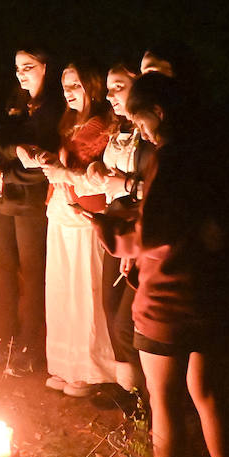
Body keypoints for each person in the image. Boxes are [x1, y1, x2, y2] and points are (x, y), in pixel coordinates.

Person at [89, 71, 229, 457]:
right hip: (210, 291)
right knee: (207, 392)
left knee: (165, 401)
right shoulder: (214, 153)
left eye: (142, 122)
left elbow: (154, 232)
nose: (142, 132)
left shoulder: (169, 158)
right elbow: (200, 220)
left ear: (159, 112)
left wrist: (109, 229)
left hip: (167, 298)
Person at [22, 61, 116, 398]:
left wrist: (63, 171)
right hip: (60, 208)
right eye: (65, 87)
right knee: (62, 286)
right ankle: (64, 364)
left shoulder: (102, 126)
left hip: (85, 213)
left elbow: (95, 175)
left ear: (92, 87)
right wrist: (43, 159)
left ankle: (90, 369)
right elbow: (64, 164)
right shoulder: (69, 124)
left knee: (84, 287)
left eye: (76, 85)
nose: (69, 93)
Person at [0, 48, 61, 377]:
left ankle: (30, 343)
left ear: (45, 67)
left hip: (29, 201)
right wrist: (15, 149)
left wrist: (8, 172)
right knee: (3, 268)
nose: (21, 74)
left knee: (32, 271)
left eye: (28, 67)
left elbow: (44, 164)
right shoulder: (16, 100)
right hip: (1, 198)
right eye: (17, 68)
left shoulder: (54, 108)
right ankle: (6, 337)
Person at [83, 64, 155, 407]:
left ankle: (145, 402)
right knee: (110, 307)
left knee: (128, 320)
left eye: (119, 87)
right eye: (109, 88)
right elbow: (108, 169)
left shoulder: (151, 137)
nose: (110, 95)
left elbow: (156, 188)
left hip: (138, 230)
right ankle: (127, 388)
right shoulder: (120, 128)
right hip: (114, 225)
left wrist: (123, 184)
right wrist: (97, 169)